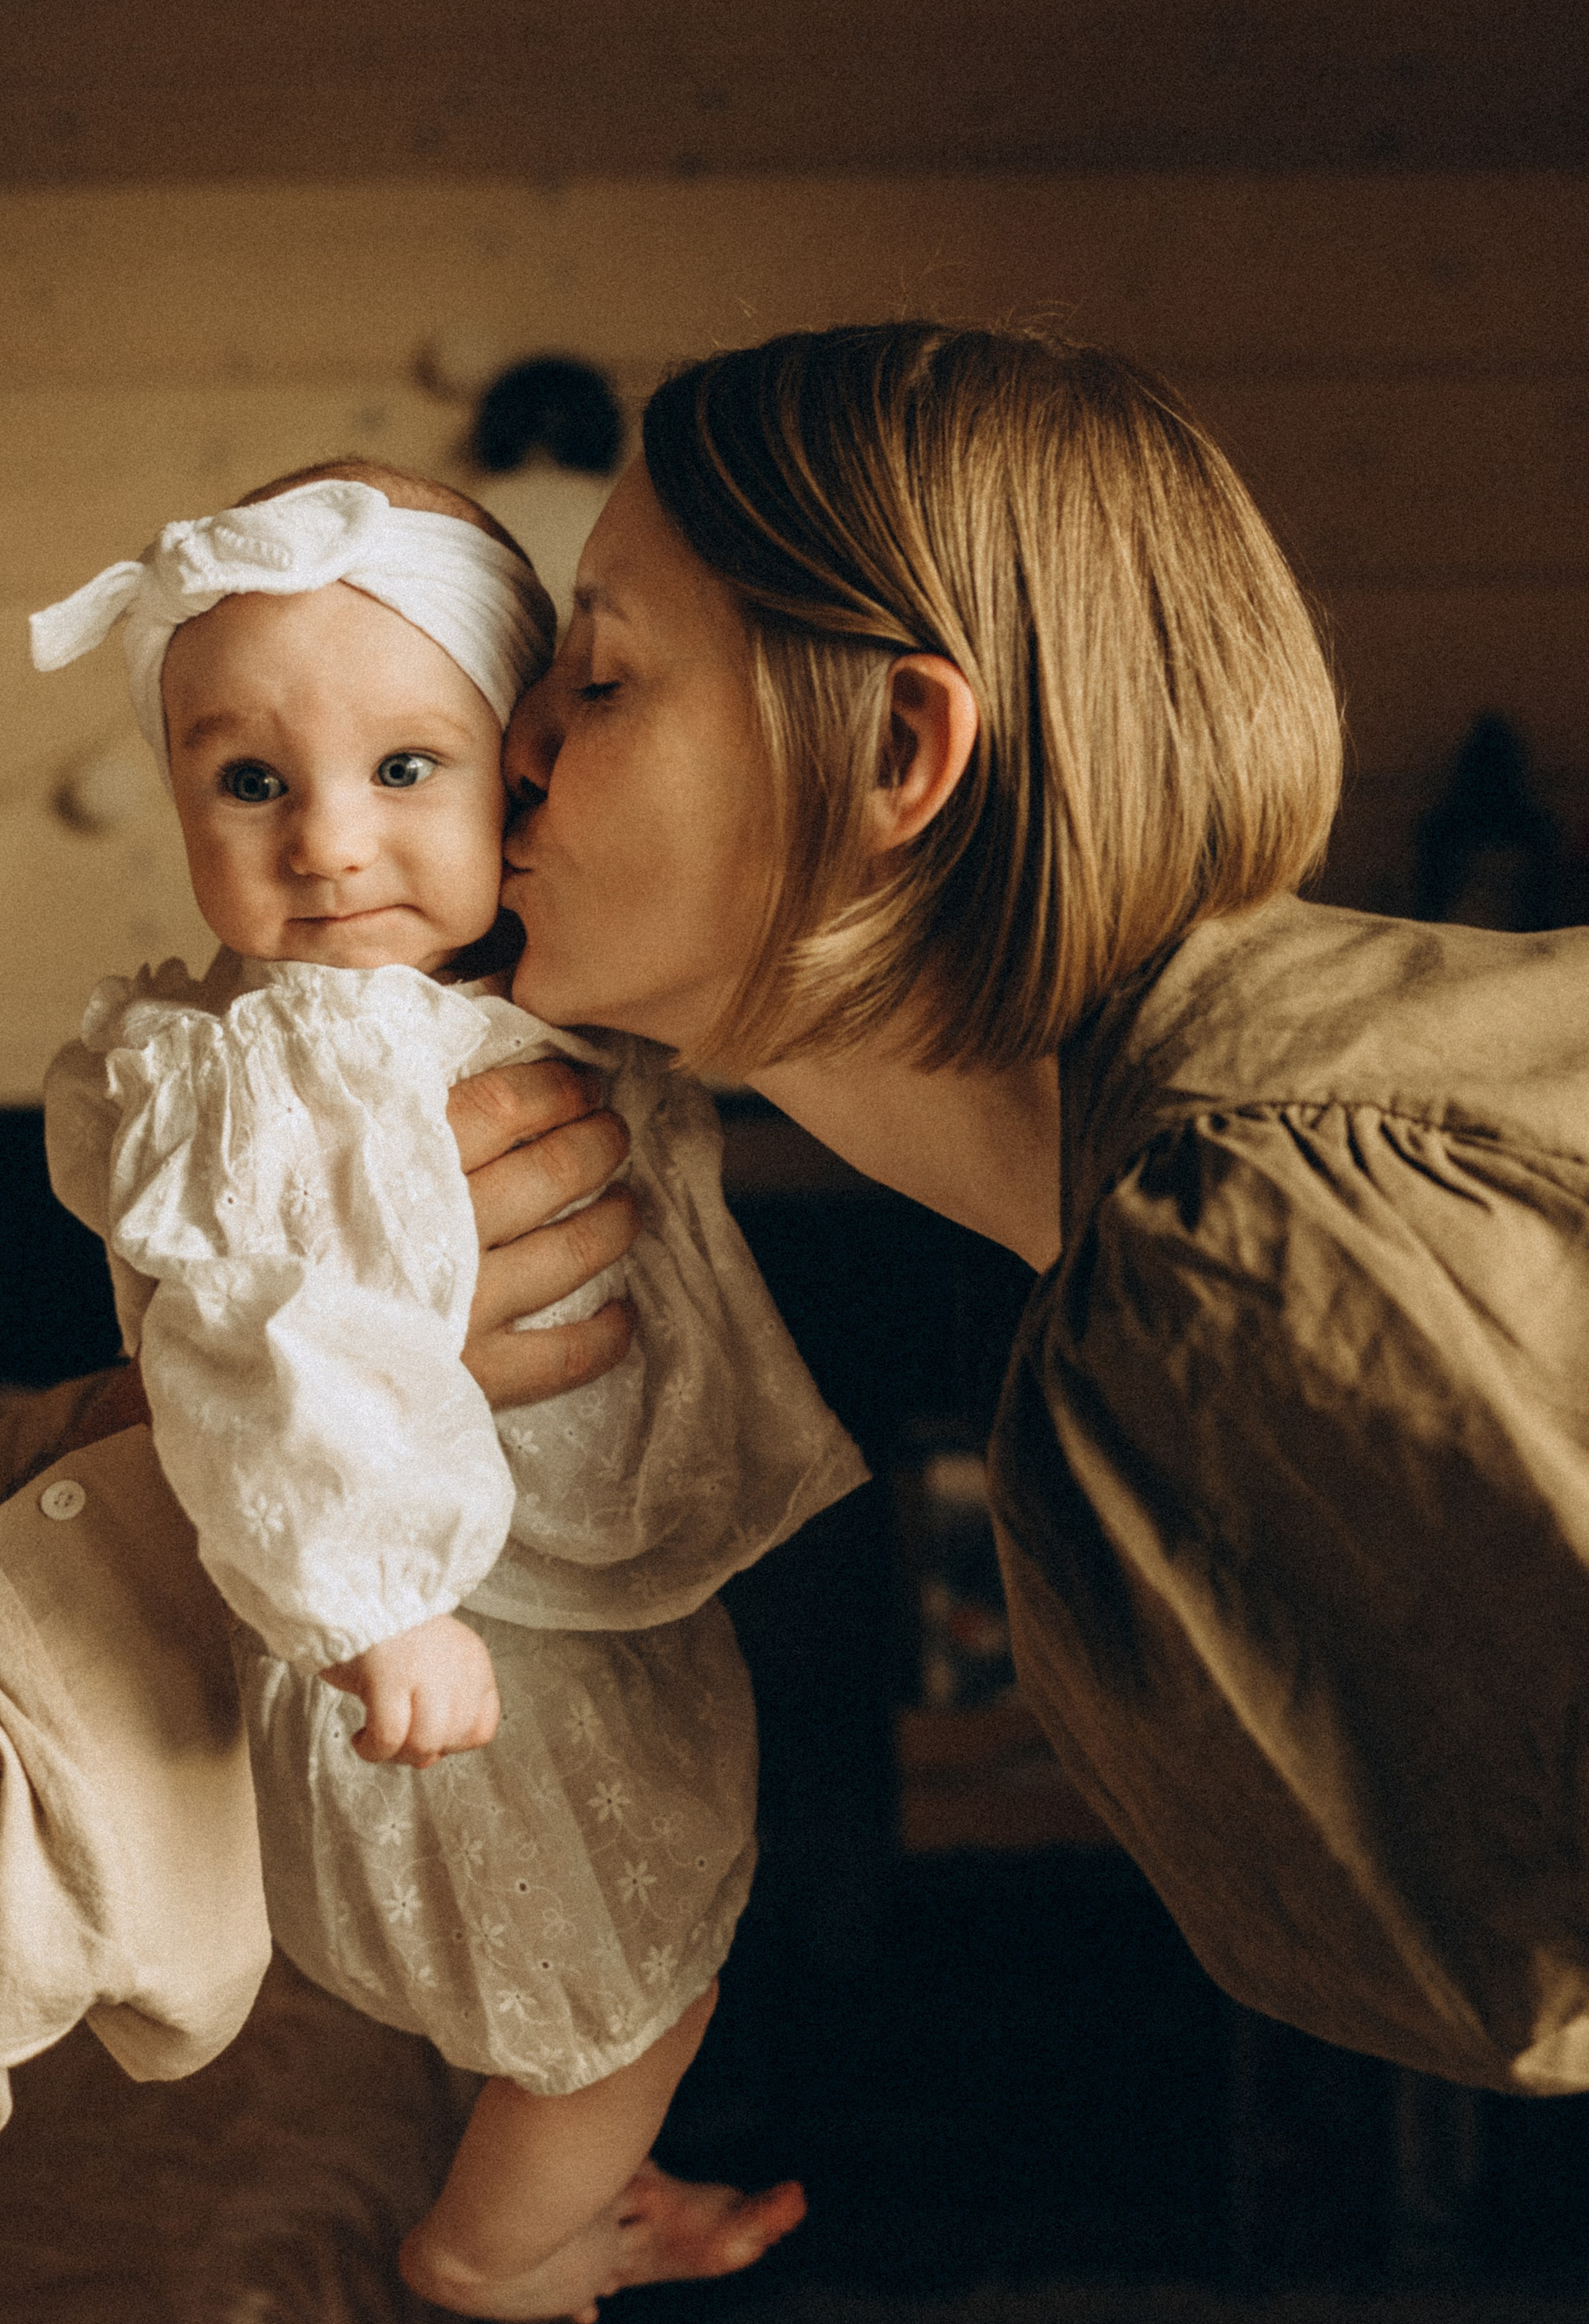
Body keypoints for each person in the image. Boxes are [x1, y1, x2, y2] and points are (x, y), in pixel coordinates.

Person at [475, 318, 1589, 2101]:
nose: (509, 747)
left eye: (597, 682)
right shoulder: (1225, 1187)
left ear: (900, 752)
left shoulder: (1244, 1232)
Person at [30, 461, 866, 2320]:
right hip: (444, 1645)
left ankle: (570, 2196)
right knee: (610, 2002)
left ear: (520, 774)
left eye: (404, 771)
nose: (324, 842)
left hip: (558, 1625)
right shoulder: (290, 1068)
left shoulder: (493, 1004)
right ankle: (493, 2249)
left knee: (635, 1971)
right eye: (252, 783)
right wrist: (380, 1601)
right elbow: (265, 1344)